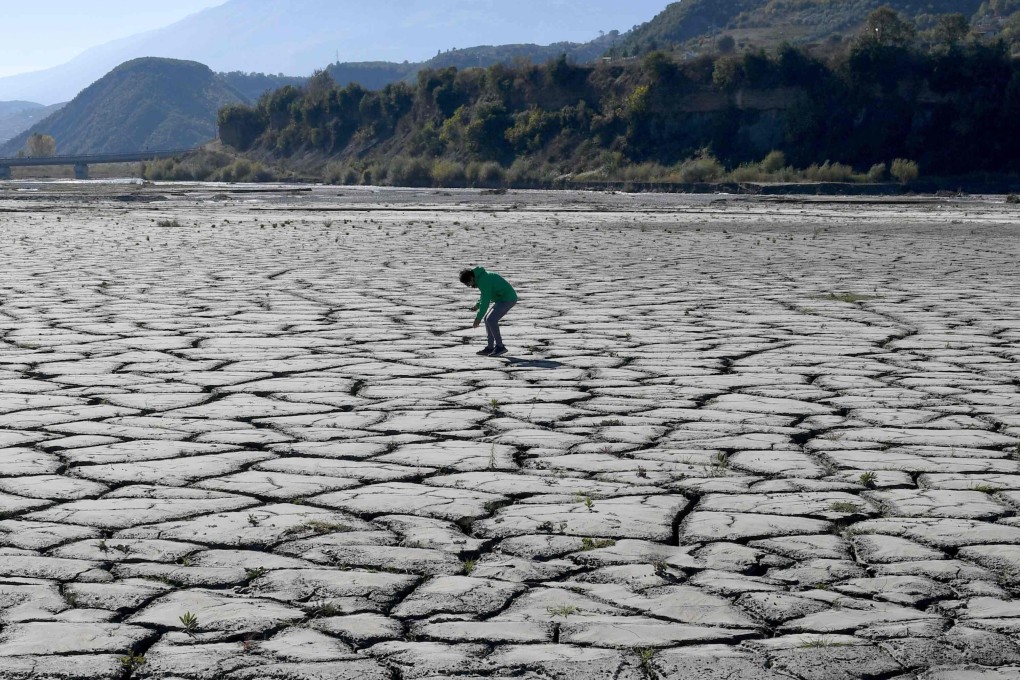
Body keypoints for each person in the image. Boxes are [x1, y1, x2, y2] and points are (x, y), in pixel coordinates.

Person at [460, 266, 517, 356]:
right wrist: (477, 305)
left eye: (468, 284)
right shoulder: (481, 278)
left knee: (491, 319)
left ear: (471, 278)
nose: (470, 286)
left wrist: (478, 318)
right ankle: (490, 347)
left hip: (508, 299)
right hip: (501, 299)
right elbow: (484, 295)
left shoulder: (483, 280)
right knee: (487, 319)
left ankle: (500, 347)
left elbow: (486, 301)